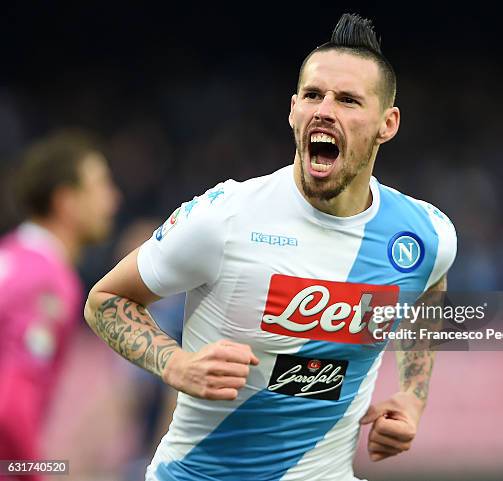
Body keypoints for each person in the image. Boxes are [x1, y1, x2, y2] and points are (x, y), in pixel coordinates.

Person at [84, 13, 457, 481]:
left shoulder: (424, 235)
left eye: (347, 100)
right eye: (313, 95)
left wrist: (413, 394)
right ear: (293, 110)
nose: (325, 110)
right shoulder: (224, 217)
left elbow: (430, 286)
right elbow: (106, 300)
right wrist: (175, 364)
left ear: (388, 123)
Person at [0, 130, 120, 475]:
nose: (113, 199)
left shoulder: (11, 256)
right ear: (66, 201)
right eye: (100, 186)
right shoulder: (47, 281)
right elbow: (11, 407)